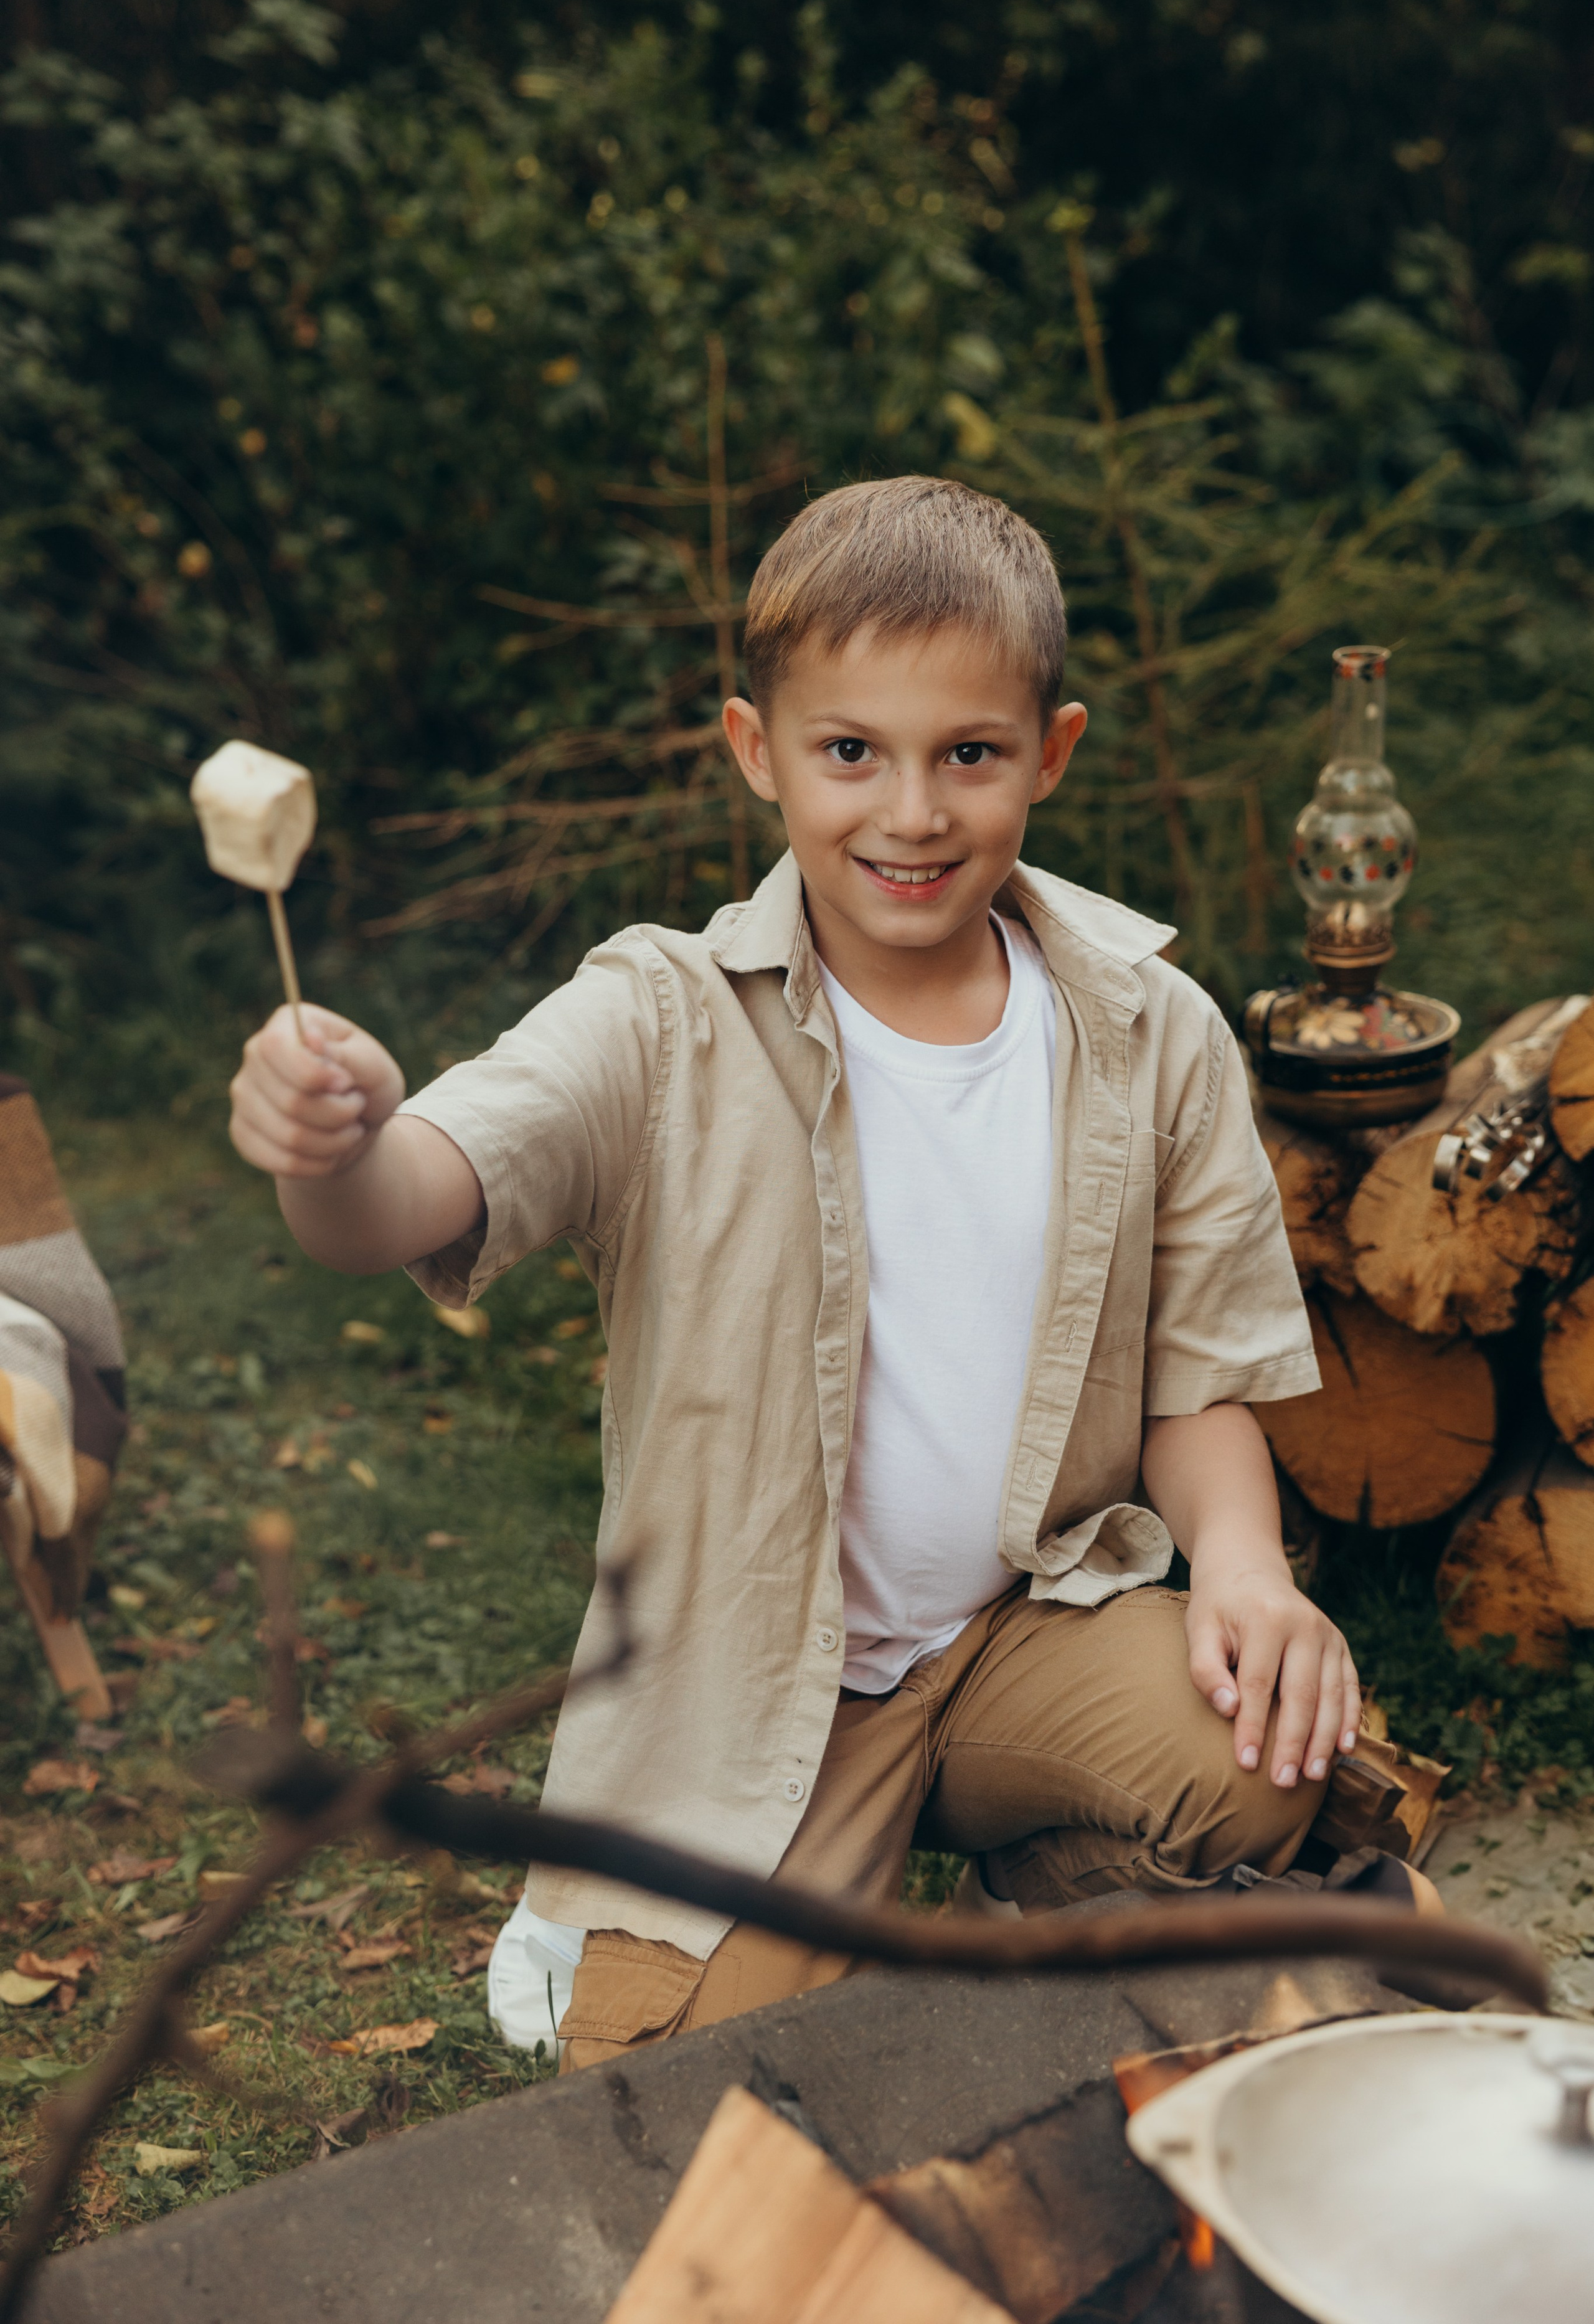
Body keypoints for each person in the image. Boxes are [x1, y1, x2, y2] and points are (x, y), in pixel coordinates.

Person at [228, 476, 1357, 2072]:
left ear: (1051, 750)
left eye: (968, 752)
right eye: (850, 753)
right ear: (758, 751)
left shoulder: (1143, 1028)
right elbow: (412, 1196)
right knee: (680, 2101)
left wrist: (1241, 1566)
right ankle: (614, 1932)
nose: (911, 813)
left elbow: (1200, 1372)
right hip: (766, 1696)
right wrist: (331, 1151)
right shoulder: (660, 1016)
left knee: (1263, 1762)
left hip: (1017, 1625)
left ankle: (1030, 1885)